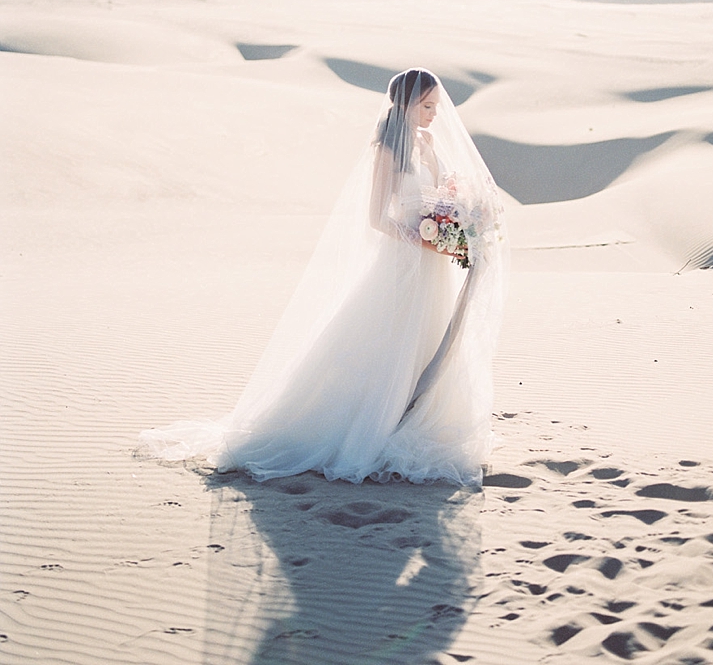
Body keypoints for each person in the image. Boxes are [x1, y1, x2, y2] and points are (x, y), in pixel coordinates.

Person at [139, 69, 507, 486]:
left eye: (436, 107)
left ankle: (413, 420)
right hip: (402, 264)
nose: (433, 115)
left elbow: (443, 198)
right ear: (405, 105)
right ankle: (358, 425)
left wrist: (459, 224)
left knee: (426, 344)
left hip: (433, 266)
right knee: (386, 344)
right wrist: (425, 238)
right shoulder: (387, 150)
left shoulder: (429, 142)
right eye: (426, 106)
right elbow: (376, 218)